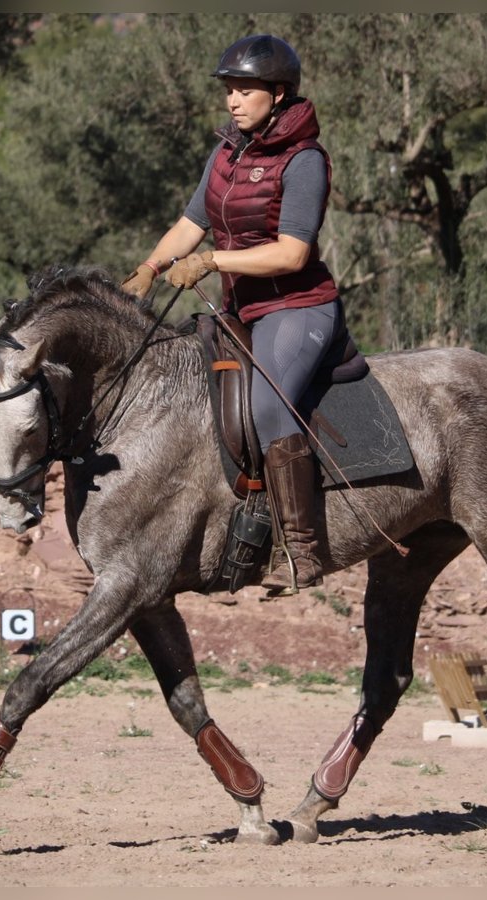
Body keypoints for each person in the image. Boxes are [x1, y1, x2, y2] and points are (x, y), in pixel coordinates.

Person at [122, 33, 349, 596]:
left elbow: (292, 253)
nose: (233, 99)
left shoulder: (305, 161)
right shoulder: (227, 151)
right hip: (239, 308)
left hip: (296, 307)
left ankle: (299, 549)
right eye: (229, 89)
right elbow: (191, 223)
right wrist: (150, 267)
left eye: (245, 89)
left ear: (279, 94)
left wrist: (210, 261)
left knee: (269, 407)